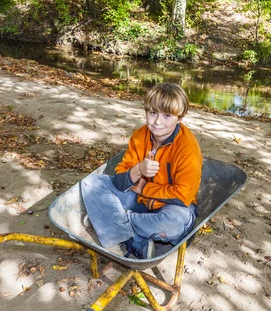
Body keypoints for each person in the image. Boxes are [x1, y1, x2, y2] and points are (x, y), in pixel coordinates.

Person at [80, 83, 202, 259]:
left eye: (167, 115)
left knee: (175, 222)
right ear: (146, 112)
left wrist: (143, 188)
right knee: (92, 182)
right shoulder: (139, 136)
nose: (158, 121)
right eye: (153, 113)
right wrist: (137, 170)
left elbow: (183, 197)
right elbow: (119, 181)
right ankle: (135, 240)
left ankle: (109, 222)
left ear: (180, 118)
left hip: (172, 208)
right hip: (137, 201)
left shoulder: (187, 147)